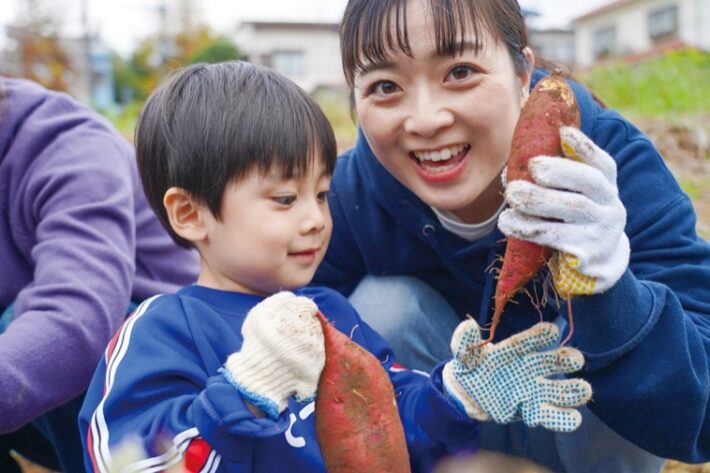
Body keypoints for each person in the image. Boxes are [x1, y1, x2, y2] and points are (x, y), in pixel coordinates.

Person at [78, 61, 592, 473]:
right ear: (190, 214)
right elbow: (125, 460)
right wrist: (243, 397)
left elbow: (395, 426)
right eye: (284, 199)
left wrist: (452, 396)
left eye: (321, 194)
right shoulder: (163, 330)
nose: (315, 221)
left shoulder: (329, 313)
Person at [312, 0, 710, 472]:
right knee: (380, 306)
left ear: (524, 74)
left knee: (607, 334)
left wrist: (613, 293)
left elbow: (700, 422)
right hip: (444, 432)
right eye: (385, 86)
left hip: (579, 440)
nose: (425, 120)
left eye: (460, 71)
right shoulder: (346, 196)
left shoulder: (611, 162)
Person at [0, 76, 200, 472]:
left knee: (24, 327)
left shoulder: (68, 147)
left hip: (169, 368)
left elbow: (77, 321)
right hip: (48, 387)